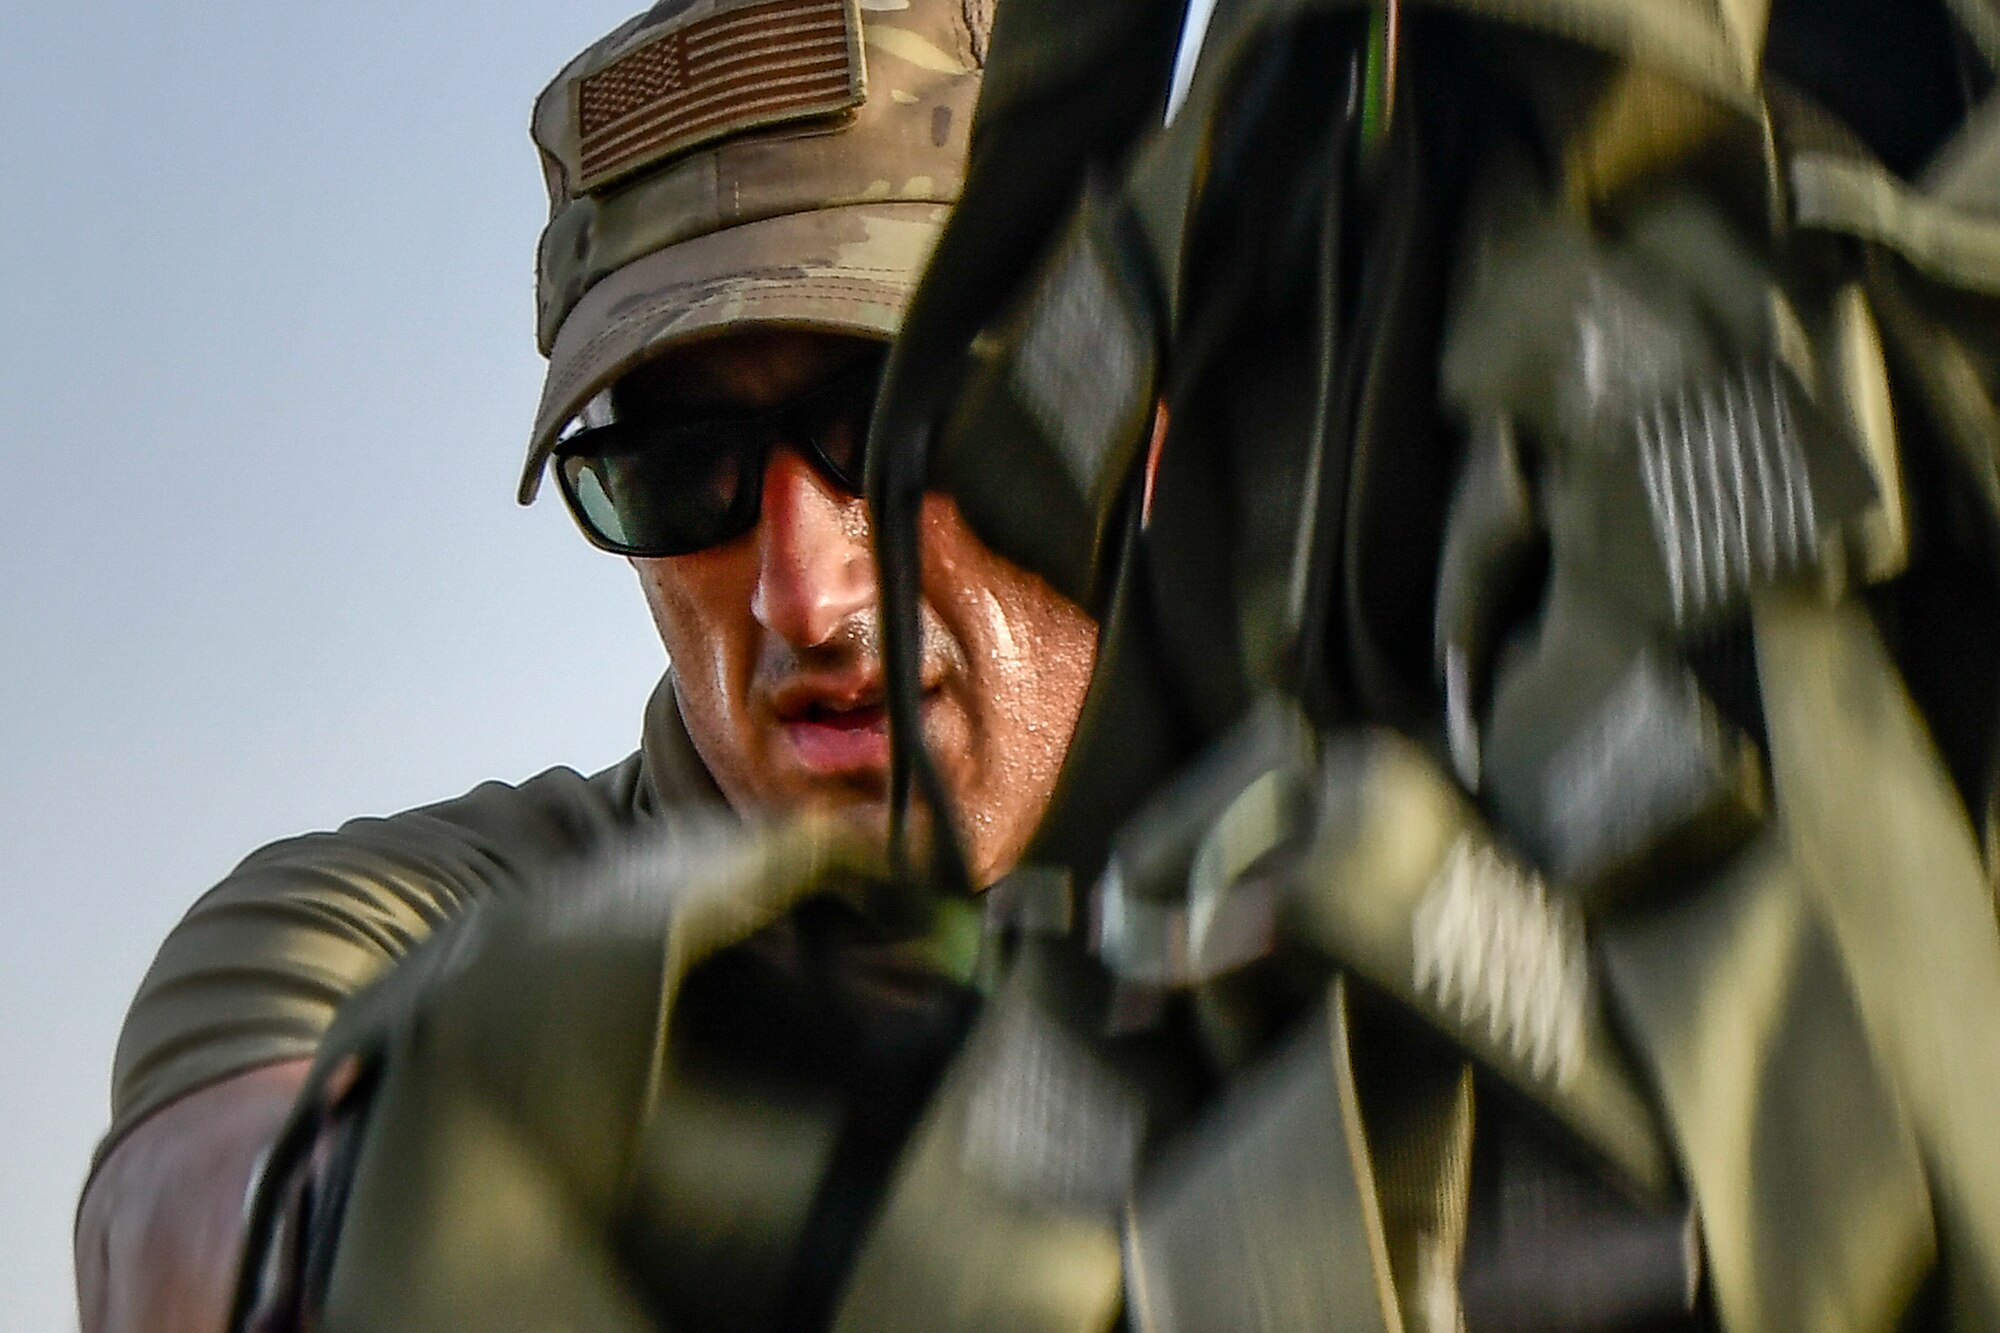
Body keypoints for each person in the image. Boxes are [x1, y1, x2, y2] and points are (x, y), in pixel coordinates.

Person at [73, 2, 1100, 1329]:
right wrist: (403, 1199)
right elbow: (202, 1210)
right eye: (685, 475)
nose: (806, 591)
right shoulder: (412, 934)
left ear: (1113, 399)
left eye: (891, 420)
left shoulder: (1383, 864)